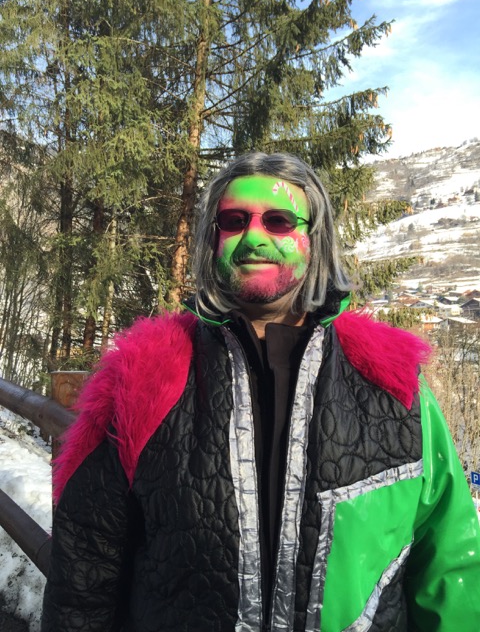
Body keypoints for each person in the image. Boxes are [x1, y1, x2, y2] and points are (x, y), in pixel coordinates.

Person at [41, 153, 480, 632]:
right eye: (234, 221)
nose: (253, 238)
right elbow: (86, 564)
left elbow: (450, 562)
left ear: (315, 239)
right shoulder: (142, 376)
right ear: (213, 239)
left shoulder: (394, 382)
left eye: (278, 221)